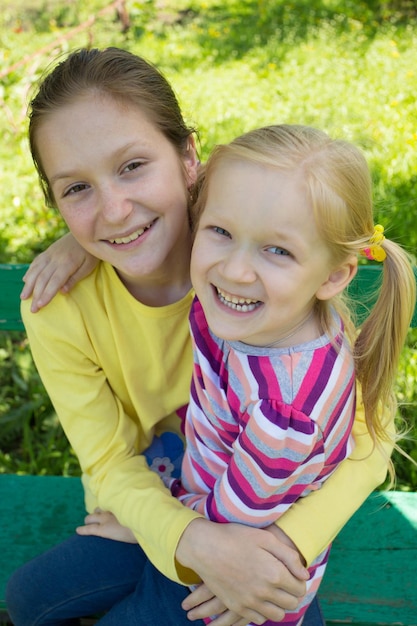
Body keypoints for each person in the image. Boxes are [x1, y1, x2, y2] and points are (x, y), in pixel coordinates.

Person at [5, 47, 399, 626]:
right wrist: (176, 533)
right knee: (28, 598)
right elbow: (109, 459)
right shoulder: (59, 305)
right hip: (153, 496)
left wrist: (285, 548)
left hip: (261, 518)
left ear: (191, 160)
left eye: (133, 166)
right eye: (76, 189)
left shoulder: (254, 274)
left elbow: (370, 442)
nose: (115, 210)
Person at [70, 124, 416, 626]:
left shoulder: (285, 415)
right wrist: (78, 242)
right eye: (221, 232)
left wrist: (152, 529)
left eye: (278, 250)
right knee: (34, 592)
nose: (234, 270)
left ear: (334, 275)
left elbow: (227, 538)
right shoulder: (277, 312)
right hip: (197, 490)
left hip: (229, 588)